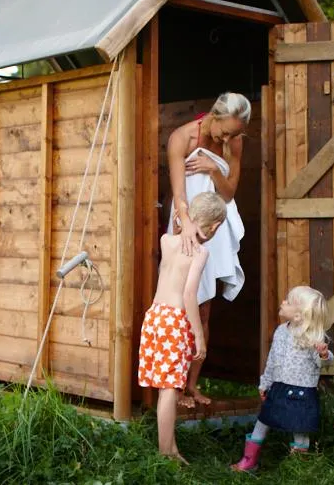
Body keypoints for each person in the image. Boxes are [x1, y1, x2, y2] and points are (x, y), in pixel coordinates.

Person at [166, 91, 252, 407]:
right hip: (185, 220)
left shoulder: (235, 141)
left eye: (234, 133)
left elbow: (228, 194)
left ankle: (191, 385)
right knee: (180, 303)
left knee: (204, 308)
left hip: (213, 224)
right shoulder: (182, 138)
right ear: (212, 115)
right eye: (224, 131)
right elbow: (178, 194)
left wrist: (212, 168)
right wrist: (186, 225)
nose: (227, 137)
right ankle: (172, 387)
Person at [137, 192, 228, 464]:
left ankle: (170, 445)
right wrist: (199, 335)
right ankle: (167, 452)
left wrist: (182, 219)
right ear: (213, 227)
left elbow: (179, 218)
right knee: (168, 390)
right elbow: (190, 295)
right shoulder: (200, 253)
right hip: (175, 320)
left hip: (154, 317)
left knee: (166, 387)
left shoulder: (166, 241)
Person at [231, 285, 333, 472]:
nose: (283, 302)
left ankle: (297, 468)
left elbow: (323, 363)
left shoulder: (311, 337)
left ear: (298, 315)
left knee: (299, 427)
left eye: (289, 301)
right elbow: (273, 360)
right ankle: (249, 461)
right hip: (278, 387)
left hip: (301, 392)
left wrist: (324, 354)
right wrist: (265, 383)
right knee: (263, 420)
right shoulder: (280, 331)